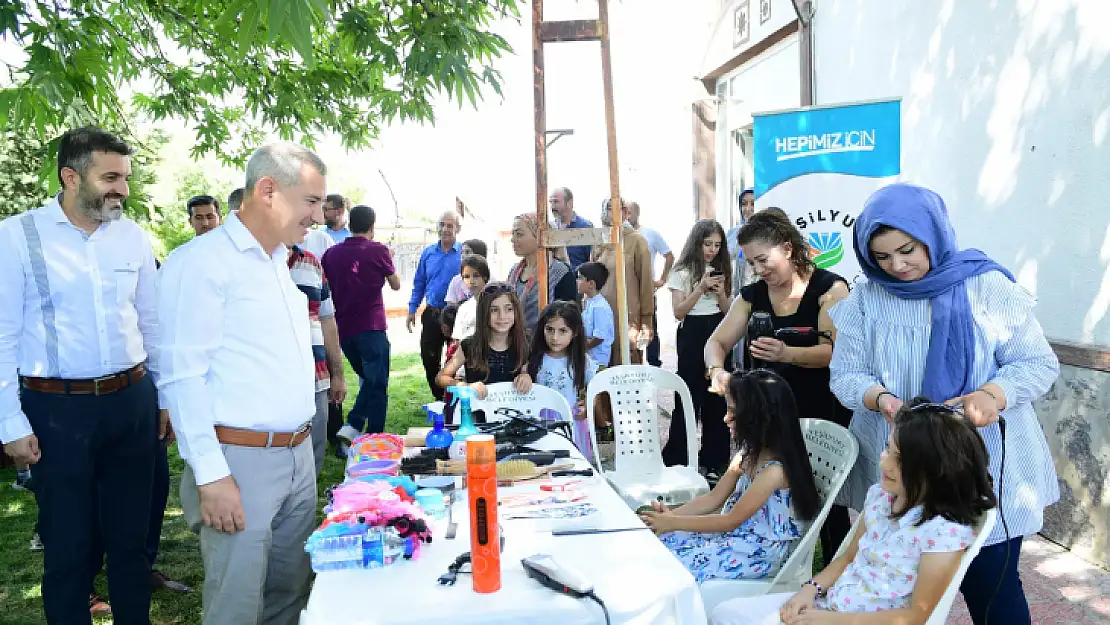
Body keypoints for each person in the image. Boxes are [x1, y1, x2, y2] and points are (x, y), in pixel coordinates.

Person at [828, 182, 1060, 624]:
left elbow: (1036, 363)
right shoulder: (867, 298)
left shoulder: (985, 285)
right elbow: (845, 376)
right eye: (881, 256)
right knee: (894, 588)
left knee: (993, 591)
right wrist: (881, 399)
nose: (896, 266)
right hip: (906, 470)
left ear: (932, 233)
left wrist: (992, 394)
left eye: (907, 249)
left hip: (983, 465)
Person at [0, 126, 166, 624]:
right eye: (111, 177)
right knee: (68, 546)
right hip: (56, 412)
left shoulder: (132, 236)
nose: (123, 189)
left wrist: (163, 402)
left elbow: (153, 323)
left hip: (132, 403)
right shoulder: (15, 237)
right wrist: (11, 423)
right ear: (70, 176)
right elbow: (1, 335)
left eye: (126, 178)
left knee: (132, 542)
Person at [158, 141, 328, 625]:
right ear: (269, 191)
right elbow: (181, 377)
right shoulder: (201, 262)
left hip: (296, 456)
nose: (317, 215)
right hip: (240, 463)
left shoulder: (278, 261)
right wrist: (211, 475)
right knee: (236, 604)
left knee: (288, 592)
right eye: (311, 201)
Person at [710, 399, 998, 625]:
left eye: (899, 461)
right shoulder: (882, 497)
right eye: (888, 450)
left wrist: (833, 621)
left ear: (935, 472)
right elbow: (848, 557)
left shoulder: (943, 533)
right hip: (830, 605)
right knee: (725, 614)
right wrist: (810, 589)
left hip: (859, 620)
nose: (885, 464)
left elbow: (916, 617)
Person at [705, 208, 854, 555]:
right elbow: (717, 342)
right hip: (769, 414)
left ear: (787, 248)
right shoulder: (752, 295)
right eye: (752, 263)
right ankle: (772, 560)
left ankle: (831, 572)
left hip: (821, 409)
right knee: (756, 490)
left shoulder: (829, 289)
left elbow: (836, 352)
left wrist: (787, 353)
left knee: (827, 503)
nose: (758, 271)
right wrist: (717, 372)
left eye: (763, 260)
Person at [641, 369, 819, 583]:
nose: (726, 419)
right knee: (660, 541)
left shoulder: (774, 472)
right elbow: (712, 499)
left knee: (674, 565)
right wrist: (669, 518)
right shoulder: (747, 456)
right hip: (735, 539)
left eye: (734, 413)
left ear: (759, 419)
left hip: (757, 554)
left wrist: (673, 522)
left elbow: (730, 521)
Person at [658, 219, 732, 476]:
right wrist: (700, 288)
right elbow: (679, 312)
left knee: (717, 395)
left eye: (717, 245)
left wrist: (721, 292)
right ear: (696, 242)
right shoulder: (682, 271)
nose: (711, 249)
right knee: (688, 394)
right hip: (692, 332)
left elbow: (727, 309)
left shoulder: (721, 268)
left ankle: (714, 458)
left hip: (718, 329)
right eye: (707, 243)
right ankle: (679, 457)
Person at [321, 205, 400, 444]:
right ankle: (365, 431)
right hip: (372, 327)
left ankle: (363, 435)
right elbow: (395, 284)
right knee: (377, 384)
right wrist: (389, 260)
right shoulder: (378, 250)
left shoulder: (330, 254)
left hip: (343, 331)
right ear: (372, 225)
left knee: (369, 380)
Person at [288, 243, 347, 473]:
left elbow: (327, 320)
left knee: (314, 454)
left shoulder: (312, 263)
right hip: (270, 382)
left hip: (316, 375)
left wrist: (337, 375)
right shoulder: (250, 262)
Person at [437, 283, 532, 400]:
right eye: (494, 310)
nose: (502, 316)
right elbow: (441, 377)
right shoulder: (470, 345)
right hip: (479, 413)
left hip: (515, 413)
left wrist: (526, 376)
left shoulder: (524, 342)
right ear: (484, 313)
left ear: (516, 311)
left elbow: (527, 370)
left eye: (509, 309)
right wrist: (464, 386)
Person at [527, 300, 600, 450]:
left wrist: (588, 403)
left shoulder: (580, 360)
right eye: (550, 329)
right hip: (541, 422)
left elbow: (595, 385)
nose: (555, 337)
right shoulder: (535, 358)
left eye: (562, 331)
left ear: (575, 332)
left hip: (571, 421)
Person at [407, 211, 463, 400]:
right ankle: (440, 398)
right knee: (429, 358)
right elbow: (419, 282)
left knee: (457, 359)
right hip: (432, 313)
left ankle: (454, 398)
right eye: (442, 224)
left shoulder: (464, 252)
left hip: (457, 316)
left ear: (458, 229)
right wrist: (412, 309)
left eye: (450, 225)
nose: (445, 229)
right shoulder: (428, 253)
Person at [592, 199, 654, 365]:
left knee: (626, 367)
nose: (613, 213)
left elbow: (646, 282)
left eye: (619, 208)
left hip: (627, 316)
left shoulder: (636, 240)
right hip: (600, 316)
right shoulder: (600, 239)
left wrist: (646, 321)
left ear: (627, 212)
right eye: (609, 208)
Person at [507, 213, 578, 335]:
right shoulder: (514, 271)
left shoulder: (560, 272)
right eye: (513, 234)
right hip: (516, 343)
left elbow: (568, 318)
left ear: (539, 236)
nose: (513, 239)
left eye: (519, 234)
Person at [628, 201, 674, 367]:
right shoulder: (620, 236)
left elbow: (669, 255)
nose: (627, 215)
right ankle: (634, 362)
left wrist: (662, 279)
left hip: (647, 289)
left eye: (630, 212)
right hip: (628, 291)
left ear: (637, 213)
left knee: (649, 324)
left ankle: (654, 362)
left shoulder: (649, 234)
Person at [577, 261, 615, 368]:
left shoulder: (599, 306)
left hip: (597, 361)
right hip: (588, 359)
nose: (577, 281)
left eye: (580, 278)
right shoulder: (588, 301)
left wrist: (580, 348)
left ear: (591, 284)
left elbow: (599, 337)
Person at [549, 187, 594, 270]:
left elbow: (592, 260)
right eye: (550, 202)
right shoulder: (550, 228)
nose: (552, 206)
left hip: (576, 279)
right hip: (554, 280)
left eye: (556, 202)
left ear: (569, 203)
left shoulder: (585, 227)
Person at [452, 255, 491, 342]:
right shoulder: (464, 308)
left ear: (485, 277)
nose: (471, 281)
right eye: (466, 277)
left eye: (476, 276)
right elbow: (457, 339)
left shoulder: (494, 304)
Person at [446, 239, 488, 304]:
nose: (463, 255)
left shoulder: (490, 279)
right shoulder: (456, 280)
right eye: (462, 252)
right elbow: (450, 304)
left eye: (467, 252)